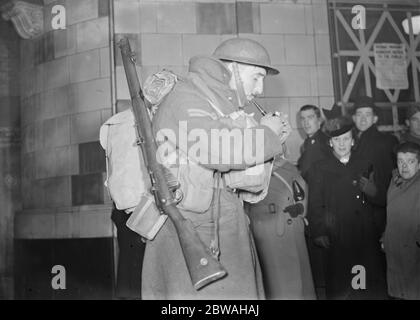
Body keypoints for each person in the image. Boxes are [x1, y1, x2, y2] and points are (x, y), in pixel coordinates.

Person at [142, 38, 289, 299]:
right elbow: (217, 150)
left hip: (216, 226)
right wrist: (267, 135)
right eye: (256, 78)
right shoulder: (187, 97)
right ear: (234, 69)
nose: (260, 89)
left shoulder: (212, 101)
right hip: (197, 229)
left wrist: (270, 141)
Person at [308, 115, 387, 300]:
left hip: (365, 233)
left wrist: (372, 191)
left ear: (353, 141)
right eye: (337, 140)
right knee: (341, 283)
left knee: (366, 284)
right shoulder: (320, 168)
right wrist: (319, 231)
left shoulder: (365, 163)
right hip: (337, 234)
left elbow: (382, 200)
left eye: (346, 139)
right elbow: (315, 203)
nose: (341, 144)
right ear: (330, 143)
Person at [246, 156, 316, 299]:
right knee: (279, 285)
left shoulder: (285, 164)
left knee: (300, 284)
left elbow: (302, 189)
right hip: (269, 232)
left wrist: (300, 208)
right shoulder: (246, 167)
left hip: (291, 228)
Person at [351, 96, 398, 237]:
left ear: (375, 119)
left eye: (368, 114)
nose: (363, 119)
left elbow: (391, 179)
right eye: (359, 114)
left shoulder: (385, 142)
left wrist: (377, 195)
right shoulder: (352, 141)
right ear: (354, 118)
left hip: (376, 212)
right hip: (359, 212)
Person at [382, 142, 420, 300]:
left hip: (414, 254)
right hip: (395, 252)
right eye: (400, 161)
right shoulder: (395, 180)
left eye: (410, 161)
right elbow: (392, 214)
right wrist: (385, 237)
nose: (404, 167)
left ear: (419, 164)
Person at [110, 204, 145, 299]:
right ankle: (134, 294)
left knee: (126, 260)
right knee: (134, 260)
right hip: (131, 218)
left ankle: (128, 293)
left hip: (125, 217)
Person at [297, 104, 329, 181]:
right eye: (303, 119)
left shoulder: (322, 141)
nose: (306, 123)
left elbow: (306, 171)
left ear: (319, 120)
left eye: (310, 118)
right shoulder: (307, 143)